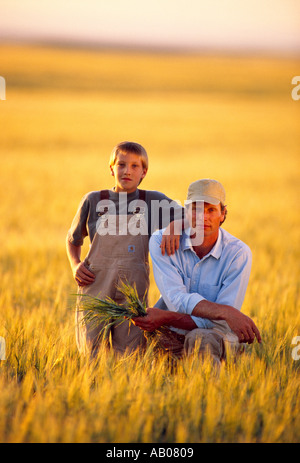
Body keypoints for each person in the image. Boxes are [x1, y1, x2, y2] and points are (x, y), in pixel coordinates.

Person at [66, 141, 183, 356]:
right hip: (95, 284)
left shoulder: (152, 200)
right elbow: (73, 239)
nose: (127, 171)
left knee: (130, 351)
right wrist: (75, 265)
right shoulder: (93, 200)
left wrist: (175, 225)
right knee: (91, 351)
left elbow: (189, 216)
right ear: (111, 168)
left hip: (132, 288)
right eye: (121, 164)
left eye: (134, 166)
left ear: (144, 172)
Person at [133, 179, 261, 365]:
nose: (203, 217)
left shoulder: (238, 253)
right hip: (168, 333)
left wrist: (165, 317)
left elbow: (220, 324)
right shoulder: (161, 241)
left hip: (213, 336)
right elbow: (176, 300)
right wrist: (225, 312)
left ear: (223, 214)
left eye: (211, 210)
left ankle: (209, 391)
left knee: (201, 338)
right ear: (185, 212)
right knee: (133, 347)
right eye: (196, 209)